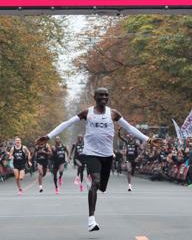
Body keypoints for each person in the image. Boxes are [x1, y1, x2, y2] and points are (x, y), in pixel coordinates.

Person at [36, 87, 161, 232]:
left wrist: (148, 140)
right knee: (95, 181)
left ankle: (93, 185)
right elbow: (67, 123)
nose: (104, 97)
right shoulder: (87, 112)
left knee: (101, 186)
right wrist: (48, 136)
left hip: (107, 155)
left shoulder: (113, 113)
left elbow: (130, 128)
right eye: (101, 95)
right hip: (91, 153)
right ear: (94, 97)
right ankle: (91, 220)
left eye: (106, 95)